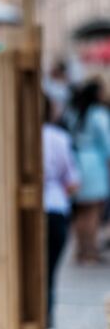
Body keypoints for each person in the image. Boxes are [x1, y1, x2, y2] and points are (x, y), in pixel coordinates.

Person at [42, 96, 80, 328]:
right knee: (48, 275)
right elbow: (73, 181)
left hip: (22, 215)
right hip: (55, 208)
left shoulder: (10, 137)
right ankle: (45, 321)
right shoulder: (59, 138)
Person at [65, 78, 110, 264]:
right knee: (93, 210)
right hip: (94, 164)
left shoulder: (75, 113)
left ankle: (81, 249)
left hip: (77, 160)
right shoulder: (98, 114)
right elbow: (107, 143)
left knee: (81, 210)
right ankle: (90, 251)